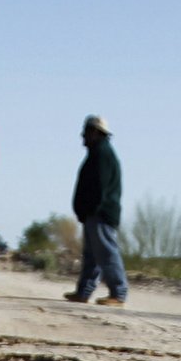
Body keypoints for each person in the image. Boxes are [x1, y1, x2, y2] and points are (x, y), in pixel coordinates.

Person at [67, 115, 127, 308]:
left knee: (107, 253)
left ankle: (118, 293)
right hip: (94, 213)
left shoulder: (102, 154)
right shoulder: (98, 153)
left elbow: (98, 188)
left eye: (86, 132)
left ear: (94, 132)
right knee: (92, 255)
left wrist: (90, 209)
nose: (83, 137)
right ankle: (83, 292)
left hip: (100, 213)